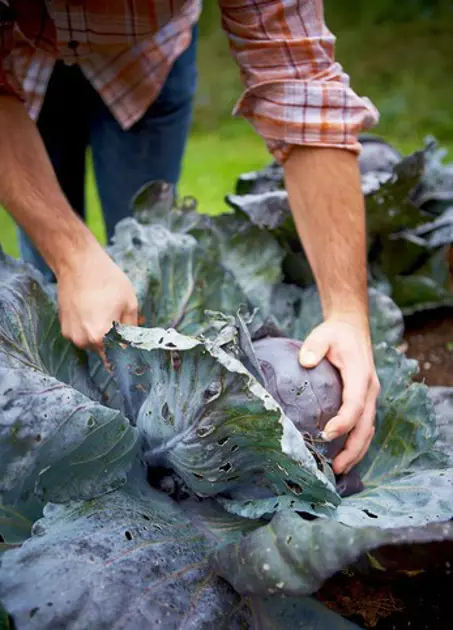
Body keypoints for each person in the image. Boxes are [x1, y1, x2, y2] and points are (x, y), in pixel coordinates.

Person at [0, 0, 381, 476]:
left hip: (149, 63)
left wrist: (346, 312)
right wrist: (71, 253)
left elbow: (301, 81)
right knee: (54, 283)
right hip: (17, 50)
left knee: (148, 259)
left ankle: (145, 432)